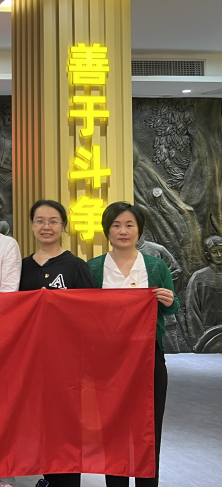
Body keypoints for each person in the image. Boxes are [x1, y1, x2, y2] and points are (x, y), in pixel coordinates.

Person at [87, 202, 179, 487]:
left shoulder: (155, 266)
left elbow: (172, 306)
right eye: (116, 225)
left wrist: (168, 300)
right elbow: (84, 313)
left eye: (129, 225)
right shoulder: (94, 268)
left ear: (139, 230)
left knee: (148, 429)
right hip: (108, 362)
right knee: (113, 429)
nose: (123, 231)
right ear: (107, 231)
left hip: (148, 358)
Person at [20, 200, 94, 487]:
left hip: (66, 364)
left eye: (53, 221)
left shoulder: (76, 266)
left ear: (63, 226)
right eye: (39, 221)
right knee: (38, 427)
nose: (46, 227)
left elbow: (90, 313)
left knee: (66, 429)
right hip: (30, 361)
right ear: (32, 226)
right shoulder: (22, 267)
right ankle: (48, 479)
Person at [185, 234, 222, 350]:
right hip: (208, 337)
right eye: (214, 251)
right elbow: (192, 310)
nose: (219, 255)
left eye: (221, 250)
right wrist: (198, 338)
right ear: (207, 254)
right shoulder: (199, 277)